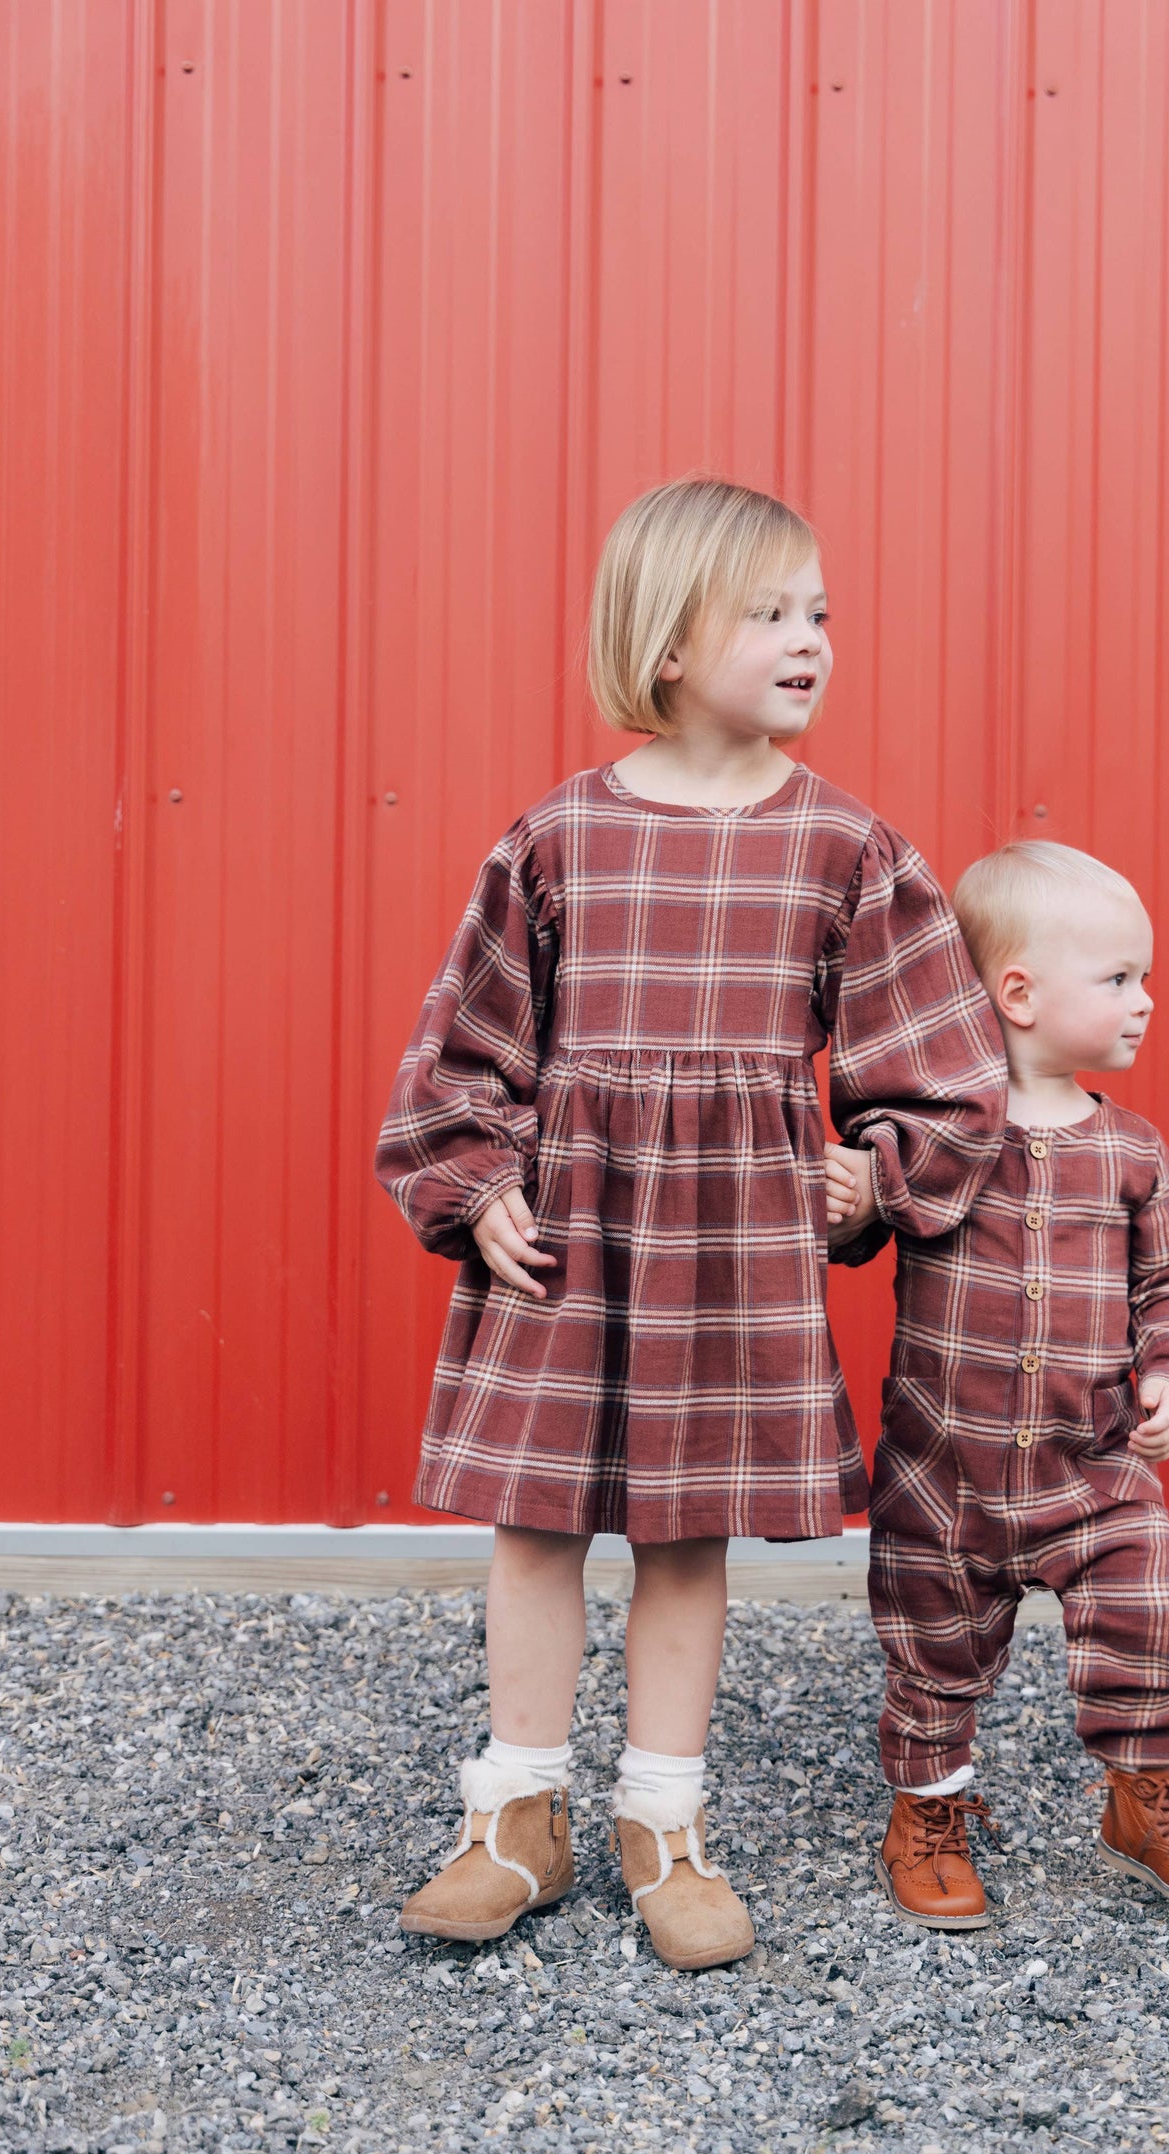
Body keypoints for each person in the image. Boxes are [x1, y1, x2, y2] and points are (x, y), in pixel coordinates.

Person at [375, 476, 1007, 1968]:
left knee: (682, 1534)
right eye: (770, 613)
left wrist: (876, 1168)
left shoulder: (846, 848)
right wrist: (477, 1192)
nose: (811, 641)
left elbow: (939, 1059)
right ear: (667, 644)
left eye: (821, 614)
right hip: (572, 1236)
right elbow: (469, 1044)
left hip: (731, 1256)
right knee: (535, 1520)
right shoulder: (560, 838)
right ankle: (514, 1813)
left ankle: (665, 1819)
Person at [827, 840, 1169, 1928]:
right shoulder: (929, 1146)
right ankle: (925, 1811)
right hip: (943, 1474)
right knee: (931, 1651)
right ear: (1015, 994)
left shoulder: (1130, 1151)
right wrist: (846, 1193)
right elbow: (850, 1221)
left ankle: (1143, 1801)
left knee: (1149, 1621)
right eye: (1117, 978)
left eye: (1141, 978)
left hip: (1091, 1468)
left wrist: (1168, 1369)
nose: (1143, 1002)